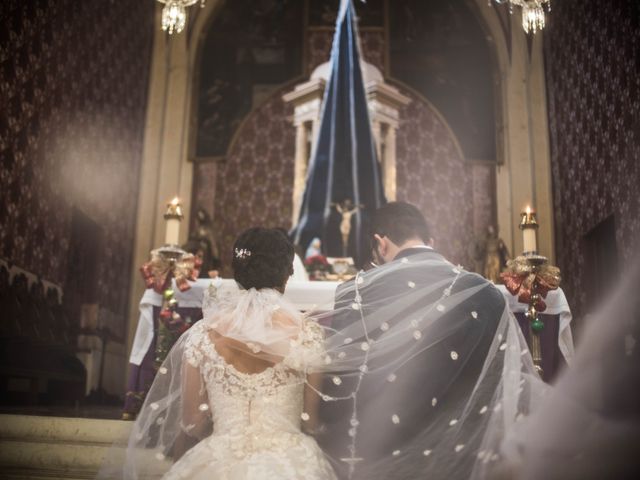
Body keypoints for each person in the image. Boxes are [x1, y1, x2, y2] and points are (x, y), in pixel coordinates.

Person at [317, 202, 543, 479]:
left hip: (380, 455)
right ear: (431, 242)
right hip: (467, 457)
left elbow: (338, 382)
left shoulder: (355, 292)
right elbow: (506, 382)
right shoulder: (486, 292)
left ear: (380, 243)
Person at [103, 228, 336, 479]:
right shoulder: (309, 334)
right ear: (288, 273)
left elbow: (193, 421)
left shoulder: (203, 334)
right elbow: (310, 422)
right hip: (292, 461)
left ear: (237, 271)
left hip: (217, 459)